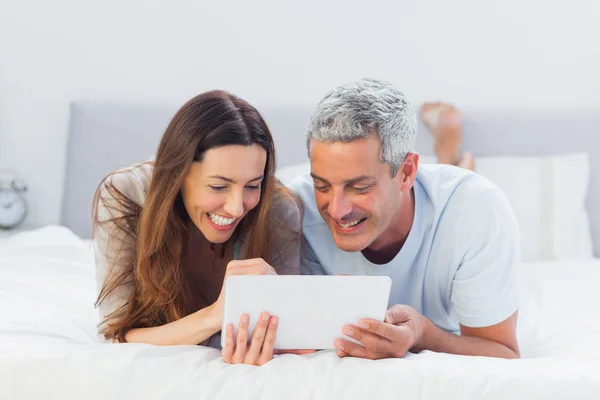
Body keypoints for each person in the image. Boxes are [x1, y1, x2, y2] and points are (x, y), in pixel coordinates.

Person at [289, 78, 520, 359]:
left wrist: (422, 333)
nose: (337, 210)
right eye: (322, 186)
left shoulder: (477, 211)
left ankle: (449, 146)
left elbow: (504, 353)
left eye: (360, 187)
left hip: (448, 201)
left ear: (407, 172)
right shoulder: (293, 208)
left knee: (453, 200)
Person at [92, 90, 302, 366]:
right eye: (218, 186)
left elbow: (284, 330)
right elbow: (115, 336)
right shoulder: (126, 195)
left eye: (253, 185)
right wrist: (216, 315)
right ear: (178, 175)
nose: (237, 208)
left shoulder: (277, 209)